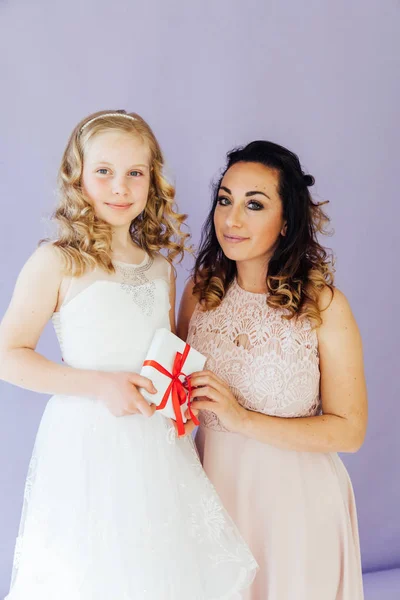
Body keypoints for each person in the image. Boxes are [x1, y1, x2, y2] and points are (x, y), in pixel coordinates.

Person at [0, 111, 257, 600]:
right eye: (103, 171)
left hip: (156, 443)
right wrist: (101, 384)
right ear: (77, 176)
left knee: (160, 567)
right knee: (96, 565)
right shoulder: (57, 260)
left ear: (151, 179)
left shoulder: (161, 269)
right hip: (89, 441)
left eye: (134, 173)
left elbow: (160, 354)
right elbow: (7, 355)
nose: (120, 187)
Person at [178, 140, 367, 599]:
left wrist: (242, 418)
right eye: (225, 200)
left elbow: (350, 432)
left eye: (254, 204)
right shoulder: (200, 293)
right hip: (214, 497)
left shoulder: (323, 307)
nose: (231, 219)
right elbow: (171, 387)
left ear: (286, 221)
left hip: (296, 508)